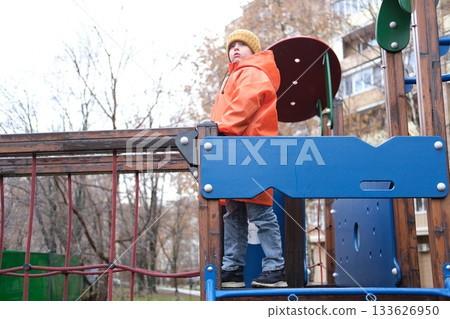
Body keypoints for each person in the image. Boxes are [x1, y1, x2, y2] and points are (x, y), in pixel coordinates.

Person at [210, 29, 287, 288]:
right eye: (232, 45)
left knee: (260, 212)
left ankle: (276, 268)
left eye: (242, 44)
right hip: (234, 152)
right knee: (233, 213)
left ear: (254, 50)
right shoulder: (232, 76)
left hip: (251, 150)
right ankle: (232, 268)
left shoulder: (252, 71)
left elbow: (244, 104)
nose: (236, 49)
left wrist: (219, 129)